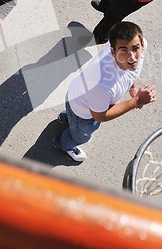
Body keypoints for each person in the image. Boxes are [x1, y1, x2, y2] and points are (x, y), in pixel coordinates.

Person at [53, 21, 156, 162]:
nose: (132, 57)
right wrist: (136, 101)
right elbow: (99, 116)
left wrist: (132, 88)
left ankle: (67, 118)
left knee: (72, 116)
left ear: (142, 45)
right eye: (124, 50)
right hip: (84, 114)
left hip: (78, 96)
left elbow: (128, 73)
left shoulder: (140, 45)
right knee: (80, 135)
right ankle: (64, 144)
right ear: (113, 51)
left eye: (135, 48)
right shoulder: (101, 84)